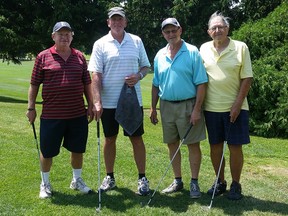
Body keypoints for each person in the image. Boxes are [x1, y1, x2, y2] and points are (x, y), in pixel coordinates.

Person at [26, 21, 94, 199]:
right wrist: (31, 107)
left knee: (77, 149)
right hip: (51, 115)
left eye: (67, 34)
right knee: (47, 151)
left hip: (77, 113)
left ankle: (76, 180)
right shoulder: (43, 56)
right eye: (60, 34)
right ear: (53, 36)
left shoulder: (79, 56)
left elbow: (87, 83)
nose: (64, 37)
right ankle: (45, 183)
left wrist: (91, 105)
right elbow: (34, 85)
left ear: (72, 36)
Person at [88, 7, 151, 196]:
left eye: (120, 19)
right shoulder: (100, 44)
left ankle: (142, 178)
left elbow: (146, 66)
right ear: (108, 22)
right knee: (109, 139)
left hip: (132, 101)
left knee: (136, 138)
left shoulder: (136, 41)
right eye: (113, 19)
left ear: (125, 22)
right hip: (108, 102)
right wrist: (97, 102)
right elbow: (96, 75)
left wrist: (138, 75)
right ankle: (110, 177)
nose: (116, 22)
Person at [150, 18, 208, 198]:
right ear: (163, 34)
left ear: (180, 30)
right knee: (172, 144)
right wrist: (153, 108)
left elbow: (201, 83)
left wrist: (197, 109)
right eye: (167, 31)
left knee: (192, 144)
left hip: (188, 105)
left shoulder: (192, 52)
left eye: (173, 30)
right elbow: (155, 83)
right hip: (166, 106)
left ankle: (194, 182)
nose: (170, 34)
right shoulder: (160, 54)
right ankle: (178, 180)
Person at [200, 12, 253, 200]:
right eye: (213, 28)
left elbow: (247, 77)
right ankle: (220, 182)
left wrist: (238, 104)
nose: (217, 30)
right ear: (208, 31)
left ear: (227, 29)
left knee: (235, 147)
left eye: (220, 27)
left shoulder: (240, 47)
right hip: (211, 108)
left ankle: (236, 184)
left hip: (235, 108)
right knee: (215, 147)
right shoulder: (204, 49)